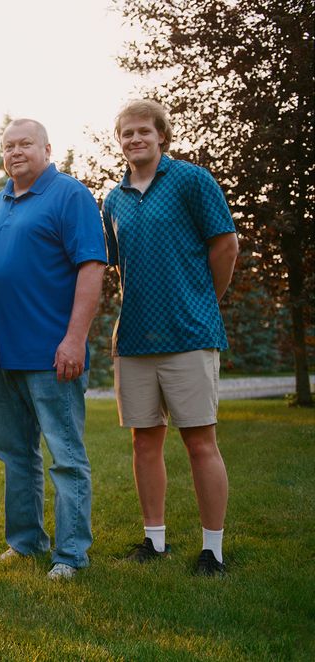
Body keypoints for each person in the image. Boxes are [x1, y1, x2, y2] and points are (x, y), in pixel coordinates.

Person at [102, 99, 239, 576]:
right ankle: (154, 541)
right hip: (136, 337)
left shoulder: (191, 181)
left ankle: (213, 550)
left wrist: (205, 299)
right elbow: (118, 266)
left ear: (162, 136)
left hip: (190, 332)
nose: (135, 139)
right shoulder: (113, 199)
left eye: (144, 132)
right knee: (144, 442)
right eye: (127, 133)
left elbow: (225, 245)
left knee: (201, 442)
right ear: (119, 141)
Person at [0, 118, 106, 580]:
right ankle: (26, 541)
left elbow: (91, 268)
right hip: (4, 355)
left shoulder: (70, 195)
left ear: (47, 148)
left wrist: (74, 339)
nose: (15, 152)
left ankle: (71, 555)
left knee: (66, 457)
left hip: (54, 354)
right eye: (8, 145)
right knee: (16, 455)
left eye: (25, 144)